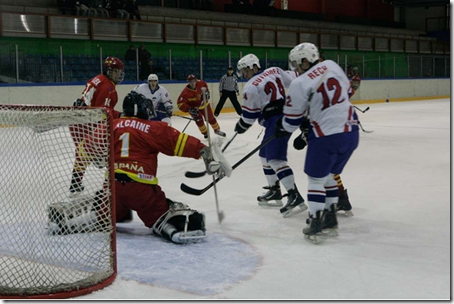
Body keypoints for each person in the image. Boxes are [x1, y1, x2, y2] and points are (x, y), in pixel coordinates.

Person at [67, 91, 229, 243]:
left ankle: (74, 222)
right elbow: (176, 141)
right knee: (158, 214)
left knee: (106, 212)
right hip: (141, 188)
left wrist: (78, 175)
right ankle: (171, 228)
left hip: (112, 188)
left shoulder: (111, 126)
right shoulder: (151, 128)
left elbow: (84, 149)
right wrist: (204, 152)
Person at [276, 42, 359, 243]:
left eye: (297, 64)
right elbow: (346, 91)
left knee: (315, 179)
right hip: (351, 130)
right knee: (330, 175)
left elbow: (291, 119)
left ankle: (315, 221)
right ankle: (330, 219)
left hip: (327, 135)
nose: (295, 69)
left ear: (306, 60)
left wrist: (282, 128)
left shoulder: (299, 83)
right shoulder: (332, 65)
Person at [234, 53, 306, 218]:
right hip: (287, 113)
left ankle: (295, 196)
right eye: (243, 71)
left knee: (275, 159)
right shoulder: (274, 70)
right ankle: (275, 191)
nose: (244, 74)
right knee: (264, 156)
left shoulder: (251, 87)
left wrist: (241, 126)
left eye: (245, 70)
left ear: (254, 66)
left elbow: (249, 117)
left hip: (276, 121)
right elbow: (296, 78)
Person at [69, 56, 125, 195]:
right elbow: (103, 112)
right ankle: (110, 187)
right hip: (90, 124)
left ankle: (75, 185)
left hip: (77, 122)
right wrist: (120, 115)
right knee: (110, 157)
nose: (119, 74)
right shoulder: (109, 87)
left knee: (83, 154)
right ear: (109, 71)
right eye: (117, 71)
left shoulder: (98, 79)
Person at [177, 74, 226, 139]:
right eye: (190, 82)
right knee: (199, 121)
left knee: (211, 118)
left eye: (193, 81)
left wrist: (207, 94)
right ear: (188, 82)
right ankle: (205, 133)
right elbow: (180, 104)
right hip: (194, 109)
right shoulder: (185, 93)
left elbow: (206, 89)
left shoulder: (201, 83)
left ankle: (217, 130)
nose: (192, 83)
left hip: (204, 105)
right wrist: (189, 109)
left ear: (196, 80)